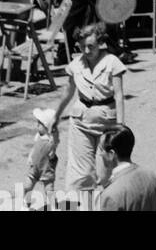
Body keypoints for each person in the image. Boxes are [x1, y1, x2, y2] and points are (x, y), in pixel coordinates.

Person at [53, 23, 128, 203]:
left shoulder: (112, 62)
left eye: (90, 46)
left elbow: (118, 95)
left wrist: (121, 127)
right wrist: (56, 115)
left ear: (100, 43)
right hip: (81, 122)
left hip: (106, 125)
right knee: (79, 174)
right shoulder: (76, 64)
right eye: (82, 47)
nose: (86, 50)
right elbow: (68, 92)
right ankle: (76, 206)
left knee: (105, 173)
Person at [96, 125, 156, 211]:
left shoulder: (110, 195)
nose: (100, 154)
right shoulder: (151, 177)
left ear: (111, 154)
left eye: (101, 150)